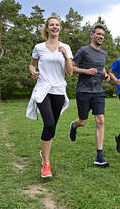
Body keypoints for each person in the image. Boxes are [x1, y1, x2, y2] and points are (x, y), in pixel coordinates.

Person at [26, 15, 73, 178]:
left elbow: (70, 72)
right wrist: (33, 72)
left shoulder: (65, 47)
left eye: (57, 25)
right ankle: (46, 163)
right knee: (49, 123)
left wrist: (66, 56)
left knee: (51, 128)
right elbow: (32, 64)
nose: (54, 27)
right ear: (47, 28)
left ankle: (43, 153)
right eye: (51, 25)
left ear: (60, 28)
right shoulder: (39, 47)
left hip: (59, 90)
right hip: (43, 89)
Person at [69, 23, 111, 167]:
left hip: (98, 91)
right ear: (92, 35)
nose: (101, 37)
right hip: (84, 91)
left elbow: (102, 67)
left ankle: (99, 155)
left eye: (102, 35)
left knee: (100, 120)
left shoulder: (104, 54)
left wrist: (105, 75)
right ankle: (74, 125)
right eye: (98, 34)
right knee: (83, 121)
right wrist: (86, 71)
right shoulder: (83, 51)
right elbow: (72, 67)